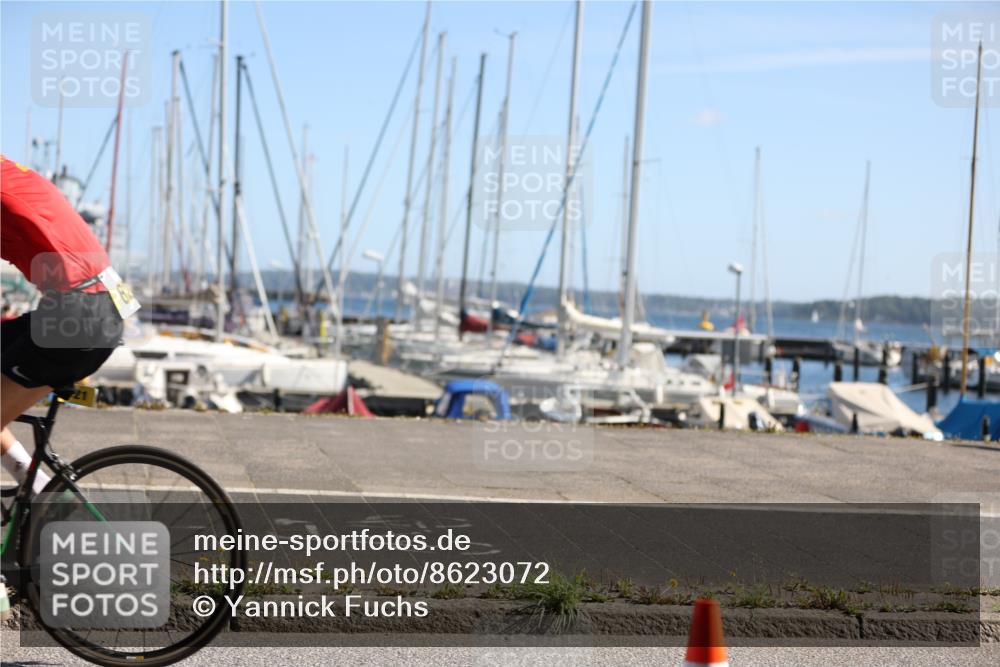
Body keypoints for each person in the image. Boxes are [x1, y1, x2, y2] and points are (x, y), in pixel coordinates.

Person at [0, 155, 139, 493]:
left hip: (79, 316)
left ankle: (48, 502)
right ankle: (37, 490)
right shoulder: (9, 174)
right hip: (90, 308)